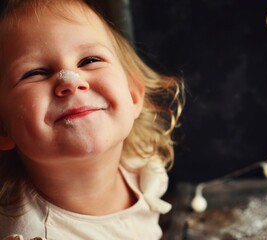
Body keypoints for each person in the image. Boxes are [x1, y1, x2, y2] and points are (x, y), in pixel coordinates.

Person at [0, 0, 184, 239]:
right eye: (35, 73)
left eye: (90, 60)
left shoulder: (142, 164)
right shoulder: (34, 235)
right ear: (3, 127)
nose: (70, 80)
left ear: (133, 96)